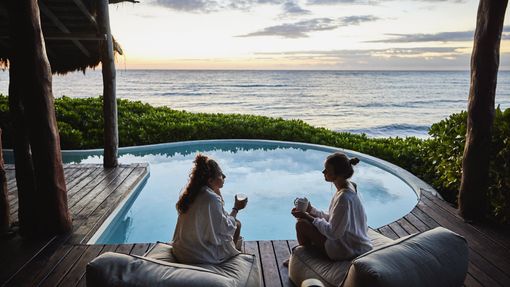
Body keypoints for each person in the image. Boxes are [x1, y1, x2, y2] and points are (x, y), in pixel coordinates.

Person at [290, 152, 372, 262]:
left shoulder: (344, 198)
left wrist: (307, 216)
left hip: (347, 250)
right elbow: (336, 219)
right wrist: (311, 210)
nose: (323, 172)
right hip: (353, 242)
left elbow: (333, 233)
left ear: (337, 174)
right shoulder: (350, 186)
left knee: (301, 224)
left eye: (327, 170)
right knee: (305, 218)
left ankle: (302, 259)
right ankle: (304, 255)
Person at [172, 154, 247, 264]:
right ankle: (232, 262)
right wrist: (236, 208)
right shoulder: (210, 198)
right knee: (237, 224)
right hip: (196, 256)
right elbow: (226, 228)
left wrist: (217, 192)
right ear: (210, 180)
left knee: (232, 226)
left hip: (180, 250)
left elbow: (216, 219)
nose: (224, 176)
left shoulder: (193, 193)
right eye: (221, 174)